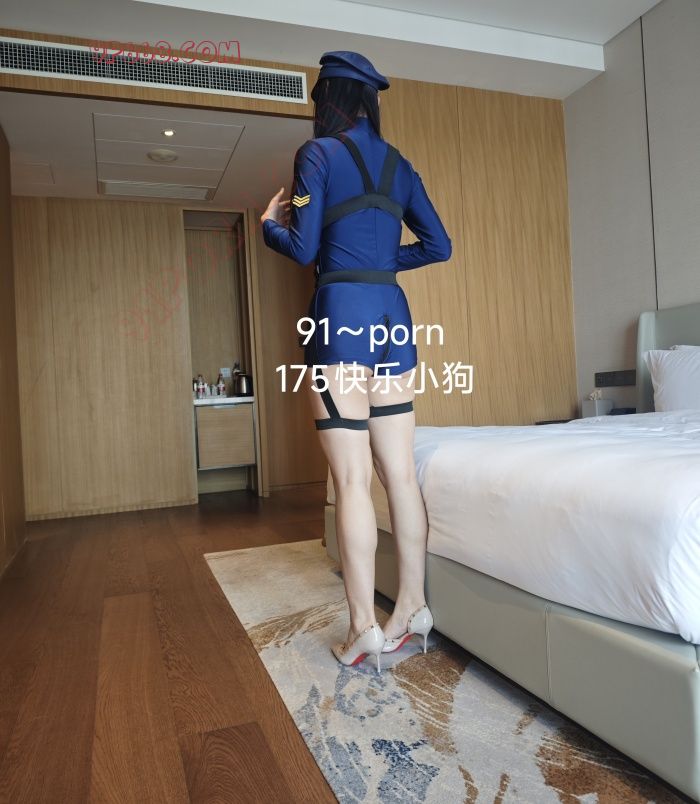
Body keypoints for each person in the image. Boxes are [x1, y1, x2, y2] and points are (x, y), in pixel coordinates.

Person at [260, 51, 452, 674]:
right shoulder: (400, 164)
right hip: (393, 315)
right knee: (399, 475)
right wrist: (382, 264)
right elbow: (439, 245)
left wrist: (269, 226)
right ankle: (413, 609)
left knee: (350, 479)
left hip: (341, 313)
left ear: (330, 101)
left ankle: (364, 626)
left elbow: (303, 247)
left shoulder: (317, 155)